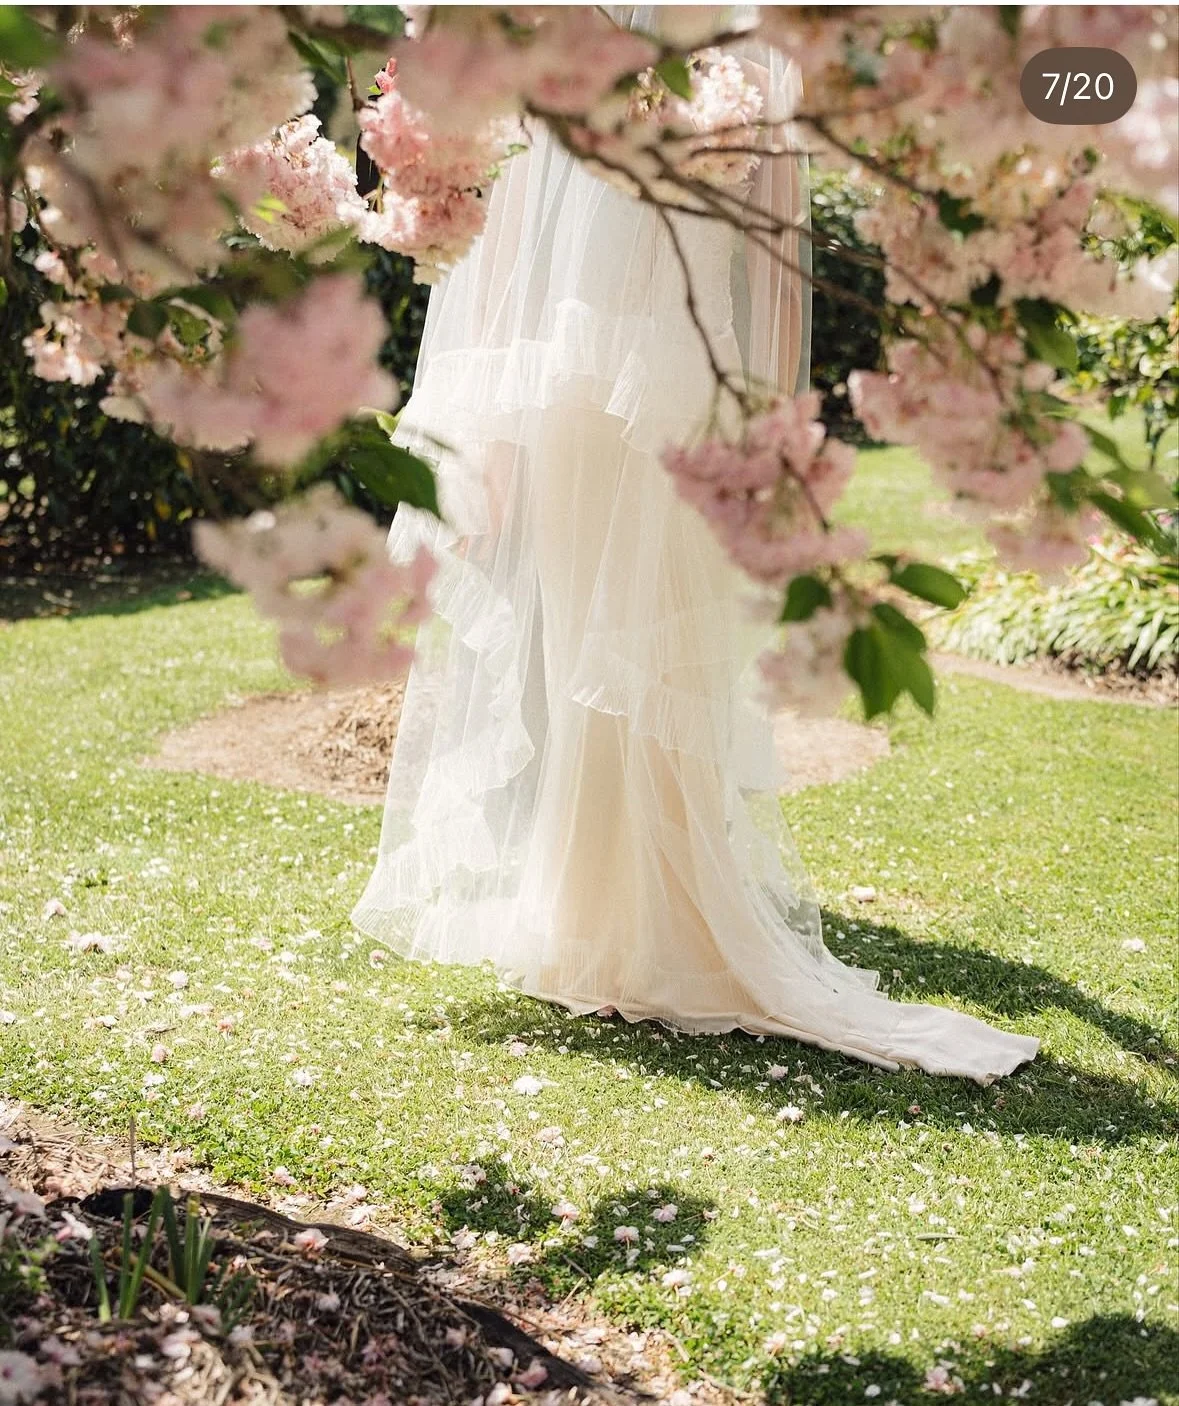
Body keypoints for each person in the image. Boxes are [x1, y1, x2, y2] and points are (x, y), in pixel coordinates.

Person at [351, 6, 1039, 1084]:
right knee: (609, 646)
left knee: (635, 649)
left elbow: (729, 246)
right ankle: (604, 918)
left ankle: (633, 921)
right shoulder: (647, 42)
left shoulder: (699, 44)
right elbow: (512, 223)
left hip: (619, 385)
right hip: (610, 385)